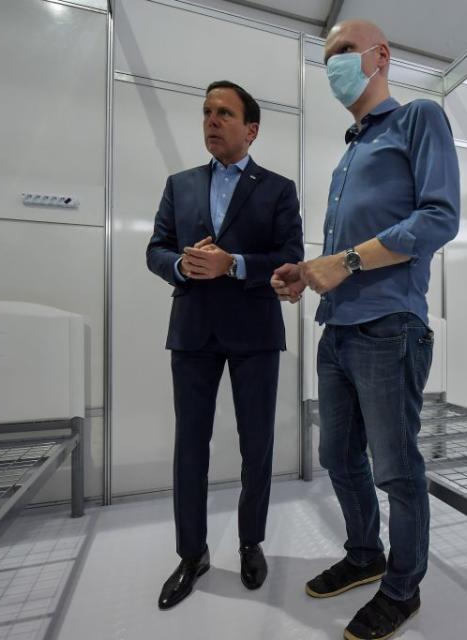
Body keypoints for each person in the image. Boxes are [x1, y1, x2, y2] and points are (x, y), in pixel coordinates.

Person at [272, 19, 459, 640]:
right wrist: (307, 272)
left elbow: (438, 218)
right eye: (326, 58)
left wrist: (345, 261)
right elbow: (345, 250)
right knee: (337, 456)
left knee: (397, 469)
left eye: (344, 52)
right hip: (339, 328)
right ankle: (363, 553)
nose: (334, 66)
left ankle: (402, 588)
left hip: (389, 328)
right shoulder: (352, 149)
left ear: (380, 57)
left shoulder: (418, 120)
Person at [147, 80, 303, 610]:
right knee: (189, 446)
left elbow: (290, 255)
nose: (212, 120)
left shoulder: (278, 189)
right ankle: (192, 555)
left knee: (255, 444)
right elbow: (156, 248)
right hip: (192, 331)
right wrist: (180, 264)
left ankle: (249, 542)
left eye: (224, 113)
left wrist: (232, 264)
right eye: (207, 112)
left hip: (255, 333)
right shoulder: (180, 184)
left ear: (250, 128)